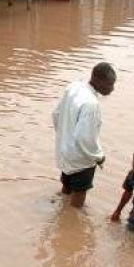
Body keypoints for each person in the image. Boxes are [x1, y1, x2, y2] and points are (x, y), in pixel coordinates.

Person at [52, 62, 116, 208]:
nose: (112, 88)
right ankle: (70, 220)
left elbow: (56, 114)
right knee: (79, 196)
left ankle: (60, 209)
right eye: (110, 84)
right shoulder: (91, 104)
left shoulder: (74, 87)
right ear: (98, 80)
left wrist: (64, 139)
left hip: (64, 153)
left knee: (66, 186)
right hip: (80, 160)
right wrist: (98, 157)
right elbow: (85, 138)